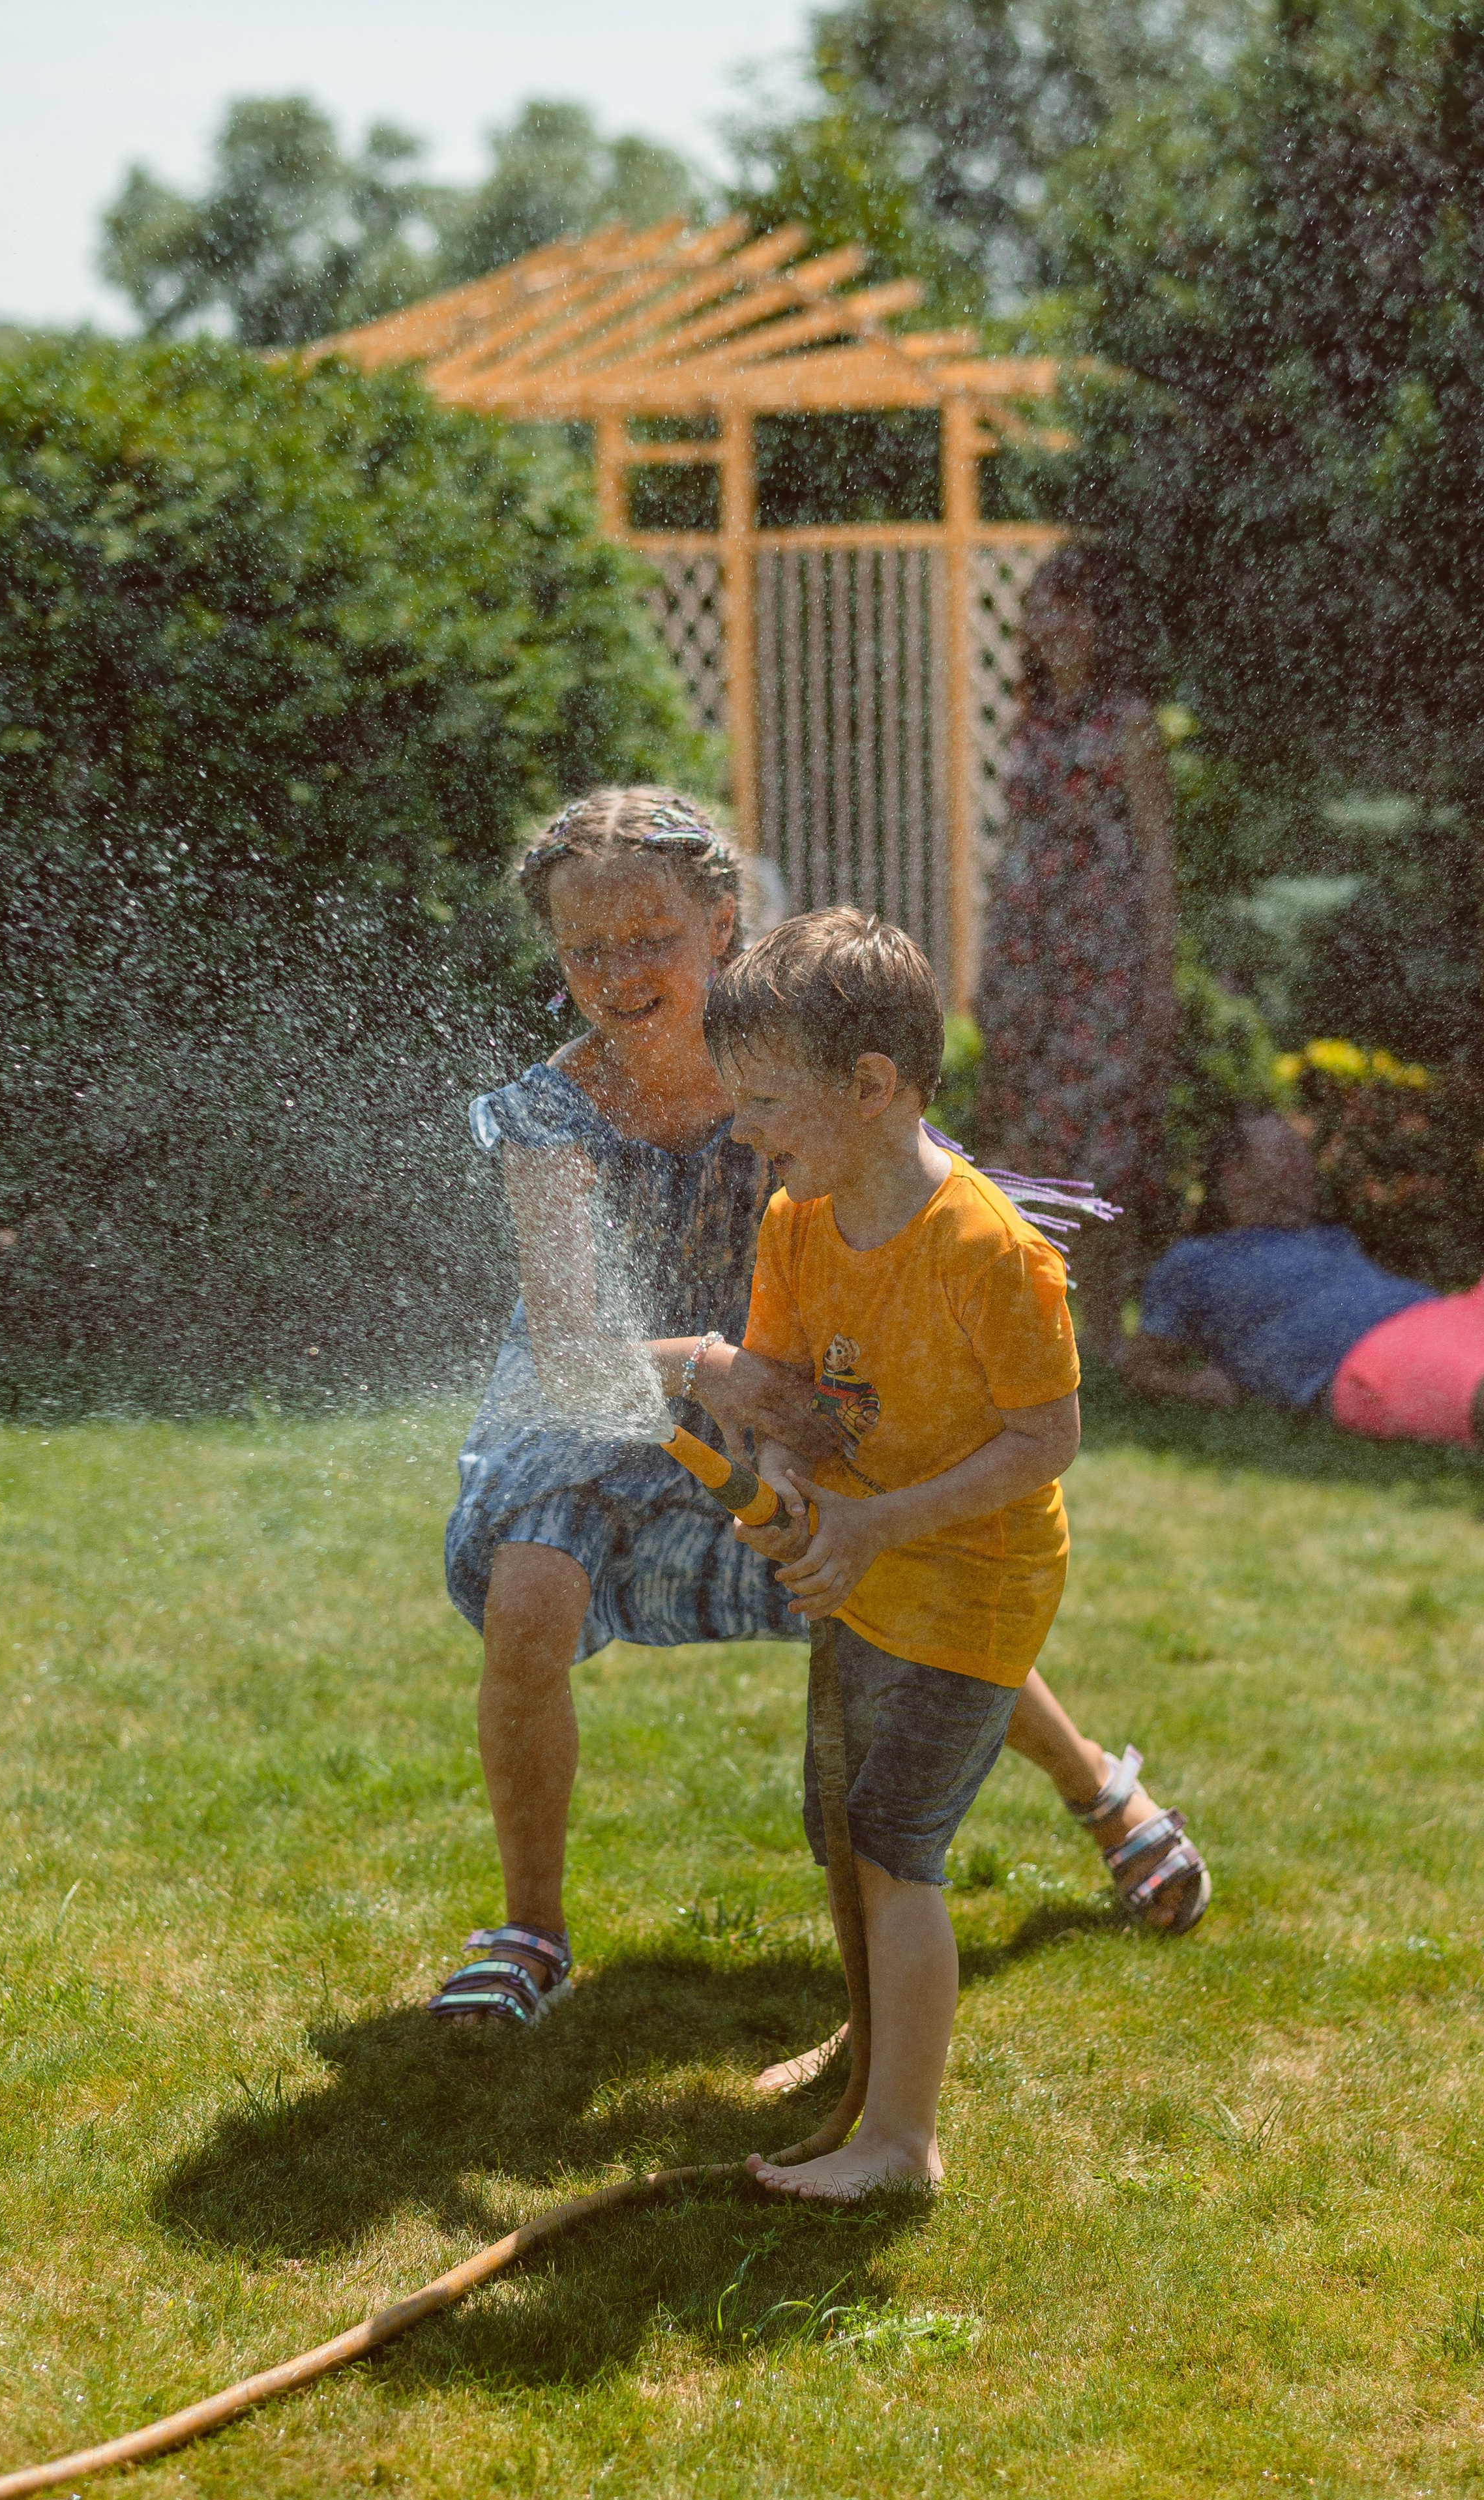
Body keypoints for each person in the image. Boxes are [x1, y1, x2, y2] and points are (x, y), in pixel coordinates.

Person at [432, 790, 1210, 2032]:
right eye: (588, 949)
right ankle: (532, 1924)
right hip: (616, 1396)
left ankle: (1100, 1789)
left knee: (904, 1588)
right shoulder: (551, 1115)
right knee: (530, 1598)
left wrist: (811, 1410)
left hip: (785, 1381)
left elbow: (910, 1223)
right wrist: (707, 1362)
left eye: (652, 938)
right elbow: (574, 1358)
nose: (620, 972)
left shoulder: (797, 1072)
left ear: (723, 923)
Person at [707, 910, 1188, 2202]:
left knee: (891, 1834)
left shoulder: (989, 1253)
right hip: (864, 1566)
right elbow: (792, 1392)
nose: (741, 1128)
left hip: (975, 1583)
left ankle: (900, 2143)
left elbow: (1046, 1440)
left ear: (871, 1090)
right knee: (835, 1820)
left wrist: (873, 1523)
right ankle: (874, 2045)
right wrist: (793, 1485)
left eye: (763, 1102)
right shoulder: (797, 1220)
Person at [975, 543, 1177, 1358]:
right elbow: (1014, 840)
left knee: (1103, 1138)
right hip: (1027, 951)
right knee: (1027, 1128)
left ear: (1104, 624)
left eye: (1075, 609)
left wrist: (1159, 978)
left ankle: (1102, 1332)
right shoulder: (1029, 720)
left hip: (1103, 956)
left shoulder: (1128, 723)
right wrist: (989, 961)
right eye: (1046, 608)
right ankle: (1036, 1317)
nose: (1057, 625)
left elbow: (1158, 853)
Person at [1123, 1110, 1484, 1465]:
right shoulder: (1194, 1262)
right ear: (1235, 1176)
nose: (1304, 1162)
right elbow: (1140, 1364)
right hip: (1375, 1363)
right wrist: (1190, 1387)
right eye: (1285, 1153)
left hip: (1454, 1315)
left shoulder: (1326, 1236)